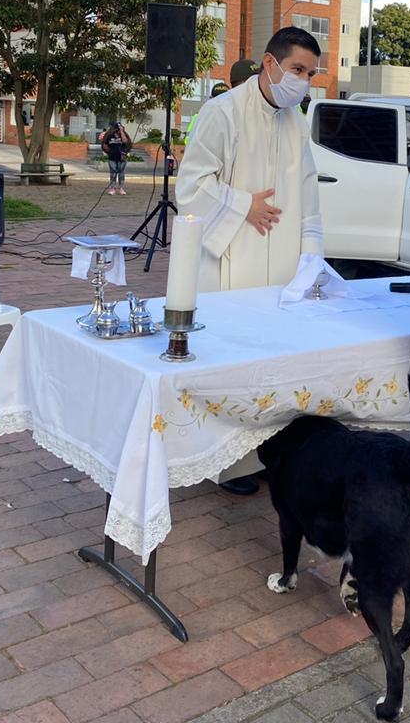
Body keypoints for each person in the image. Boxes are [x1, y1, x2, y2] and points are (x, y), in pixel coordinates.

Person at [175, 30, 323, 495]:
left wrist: (312, 253)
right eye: (297, 70)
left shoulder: (296, 120)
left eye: (310, 74)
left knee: (273, 358)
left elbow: (309, 188)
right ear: (269, 63)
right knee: (233, 360)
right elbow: (190, 186)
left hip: (279, 259)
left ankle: (266, 454)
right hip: (232, 257)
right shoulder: (223, 112)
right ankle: (227, 464)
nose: (303, 81)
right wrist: (243, 206)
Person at [100, 120, 132, 196]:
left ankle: (121, 188)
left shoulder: (124, 135)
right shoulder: (109, 135)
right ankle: (112, 189)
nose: (117, 130)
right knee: (113, 173)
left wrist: (122, 132)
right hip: (112, 157)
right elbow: (104, 144)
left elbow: (125, 142)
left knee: (121, 173)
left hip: (122, 157)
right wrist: (107, 150)